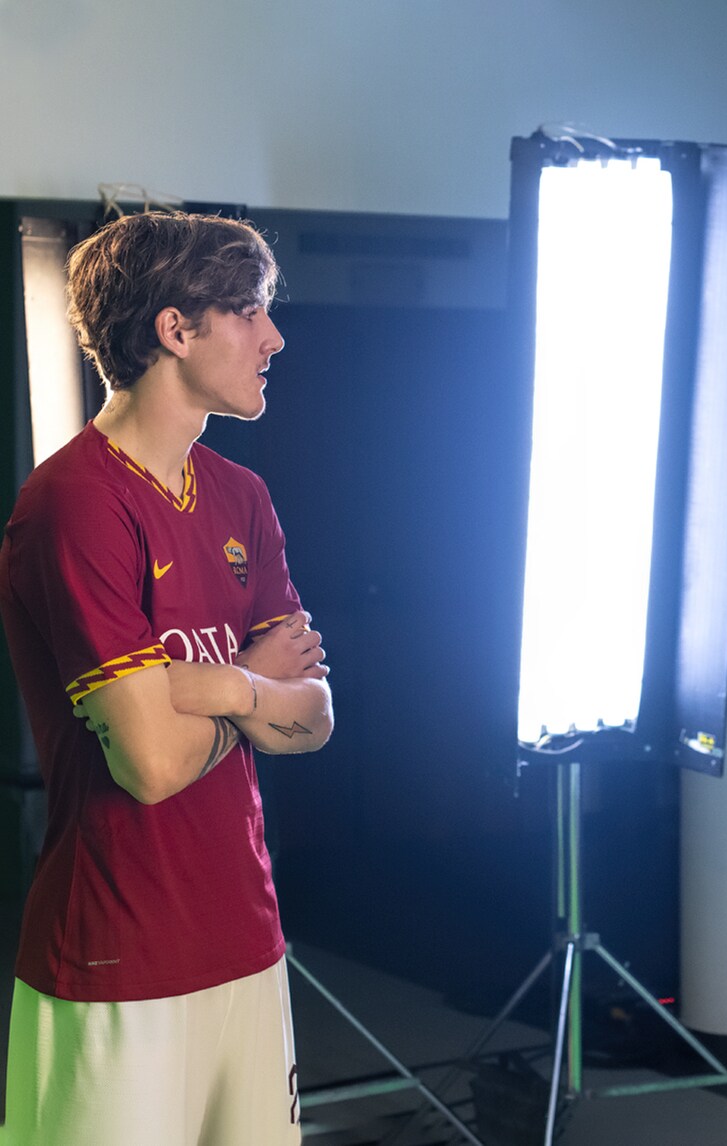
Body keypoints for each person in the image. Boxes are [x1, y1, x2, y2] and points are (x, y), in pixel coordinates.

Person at [0, 210, 334, 1145]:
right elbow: (147, 766)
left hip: (247, 940)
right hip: (117, 956)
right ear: (176, 329)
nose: (273, 338)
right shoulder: (74, 501)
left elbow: (315, 714)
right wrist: (255, 682)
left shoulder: (241, 495)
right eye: (249, 310)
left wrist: (222, 686)